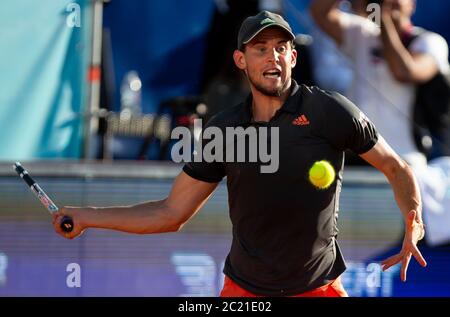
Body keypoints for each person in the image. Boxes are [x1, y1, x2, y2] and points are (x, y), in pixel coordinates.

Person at [53, 10, 426, 297]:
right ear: (240, 60)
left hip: (317, 288)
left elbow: (396, 168)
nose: (272, 58)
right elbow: (171, 213)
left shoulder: (330, 111)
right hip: (244, 293)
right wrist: (86, 216)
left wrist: (414, 218)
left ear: (293, 57)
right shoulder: (224, 130)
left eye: (281, 48)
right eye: (261, 49)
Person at [310, 0, 450, 168]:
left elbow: (404, 72)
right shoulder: (362, 33)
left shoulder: (430, 42)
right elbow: (320, 13)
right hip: (357, 154)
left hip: (405, 159)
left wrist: (383, 19)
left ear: (412, 5)